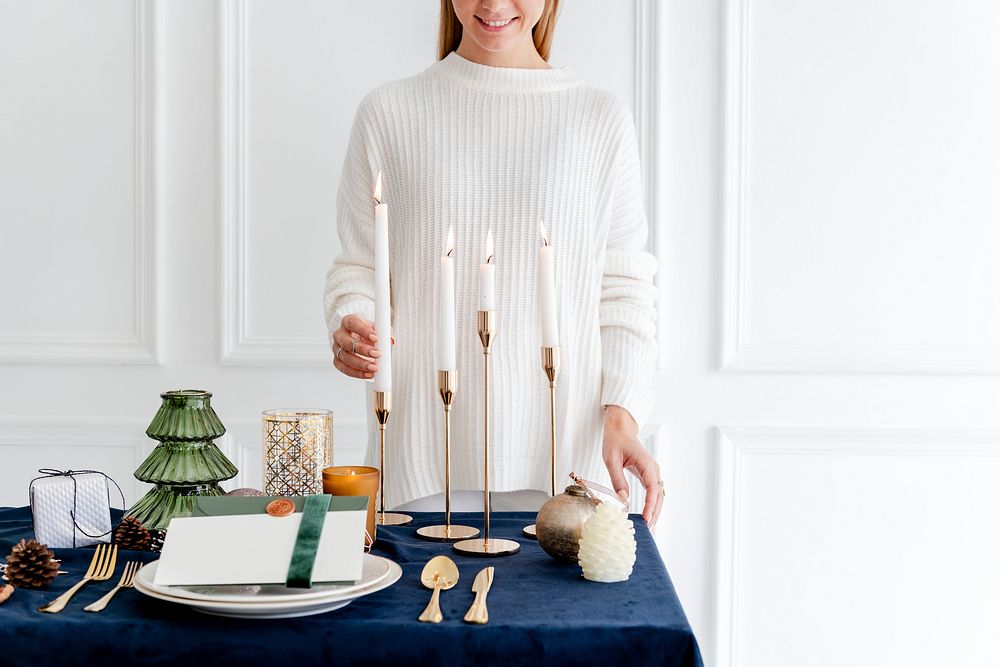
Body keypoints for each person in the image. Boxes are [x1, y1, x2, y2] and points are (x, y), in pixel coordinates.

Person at [324, 0, 663, 526]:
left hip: (566, 477)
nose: (494, 3)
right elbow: (360, 266)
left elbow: (623, 290)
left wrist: (623, 415)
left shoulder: (599, 119)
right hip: (420, 476)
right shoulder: (389, 113)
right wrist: (353, 321)